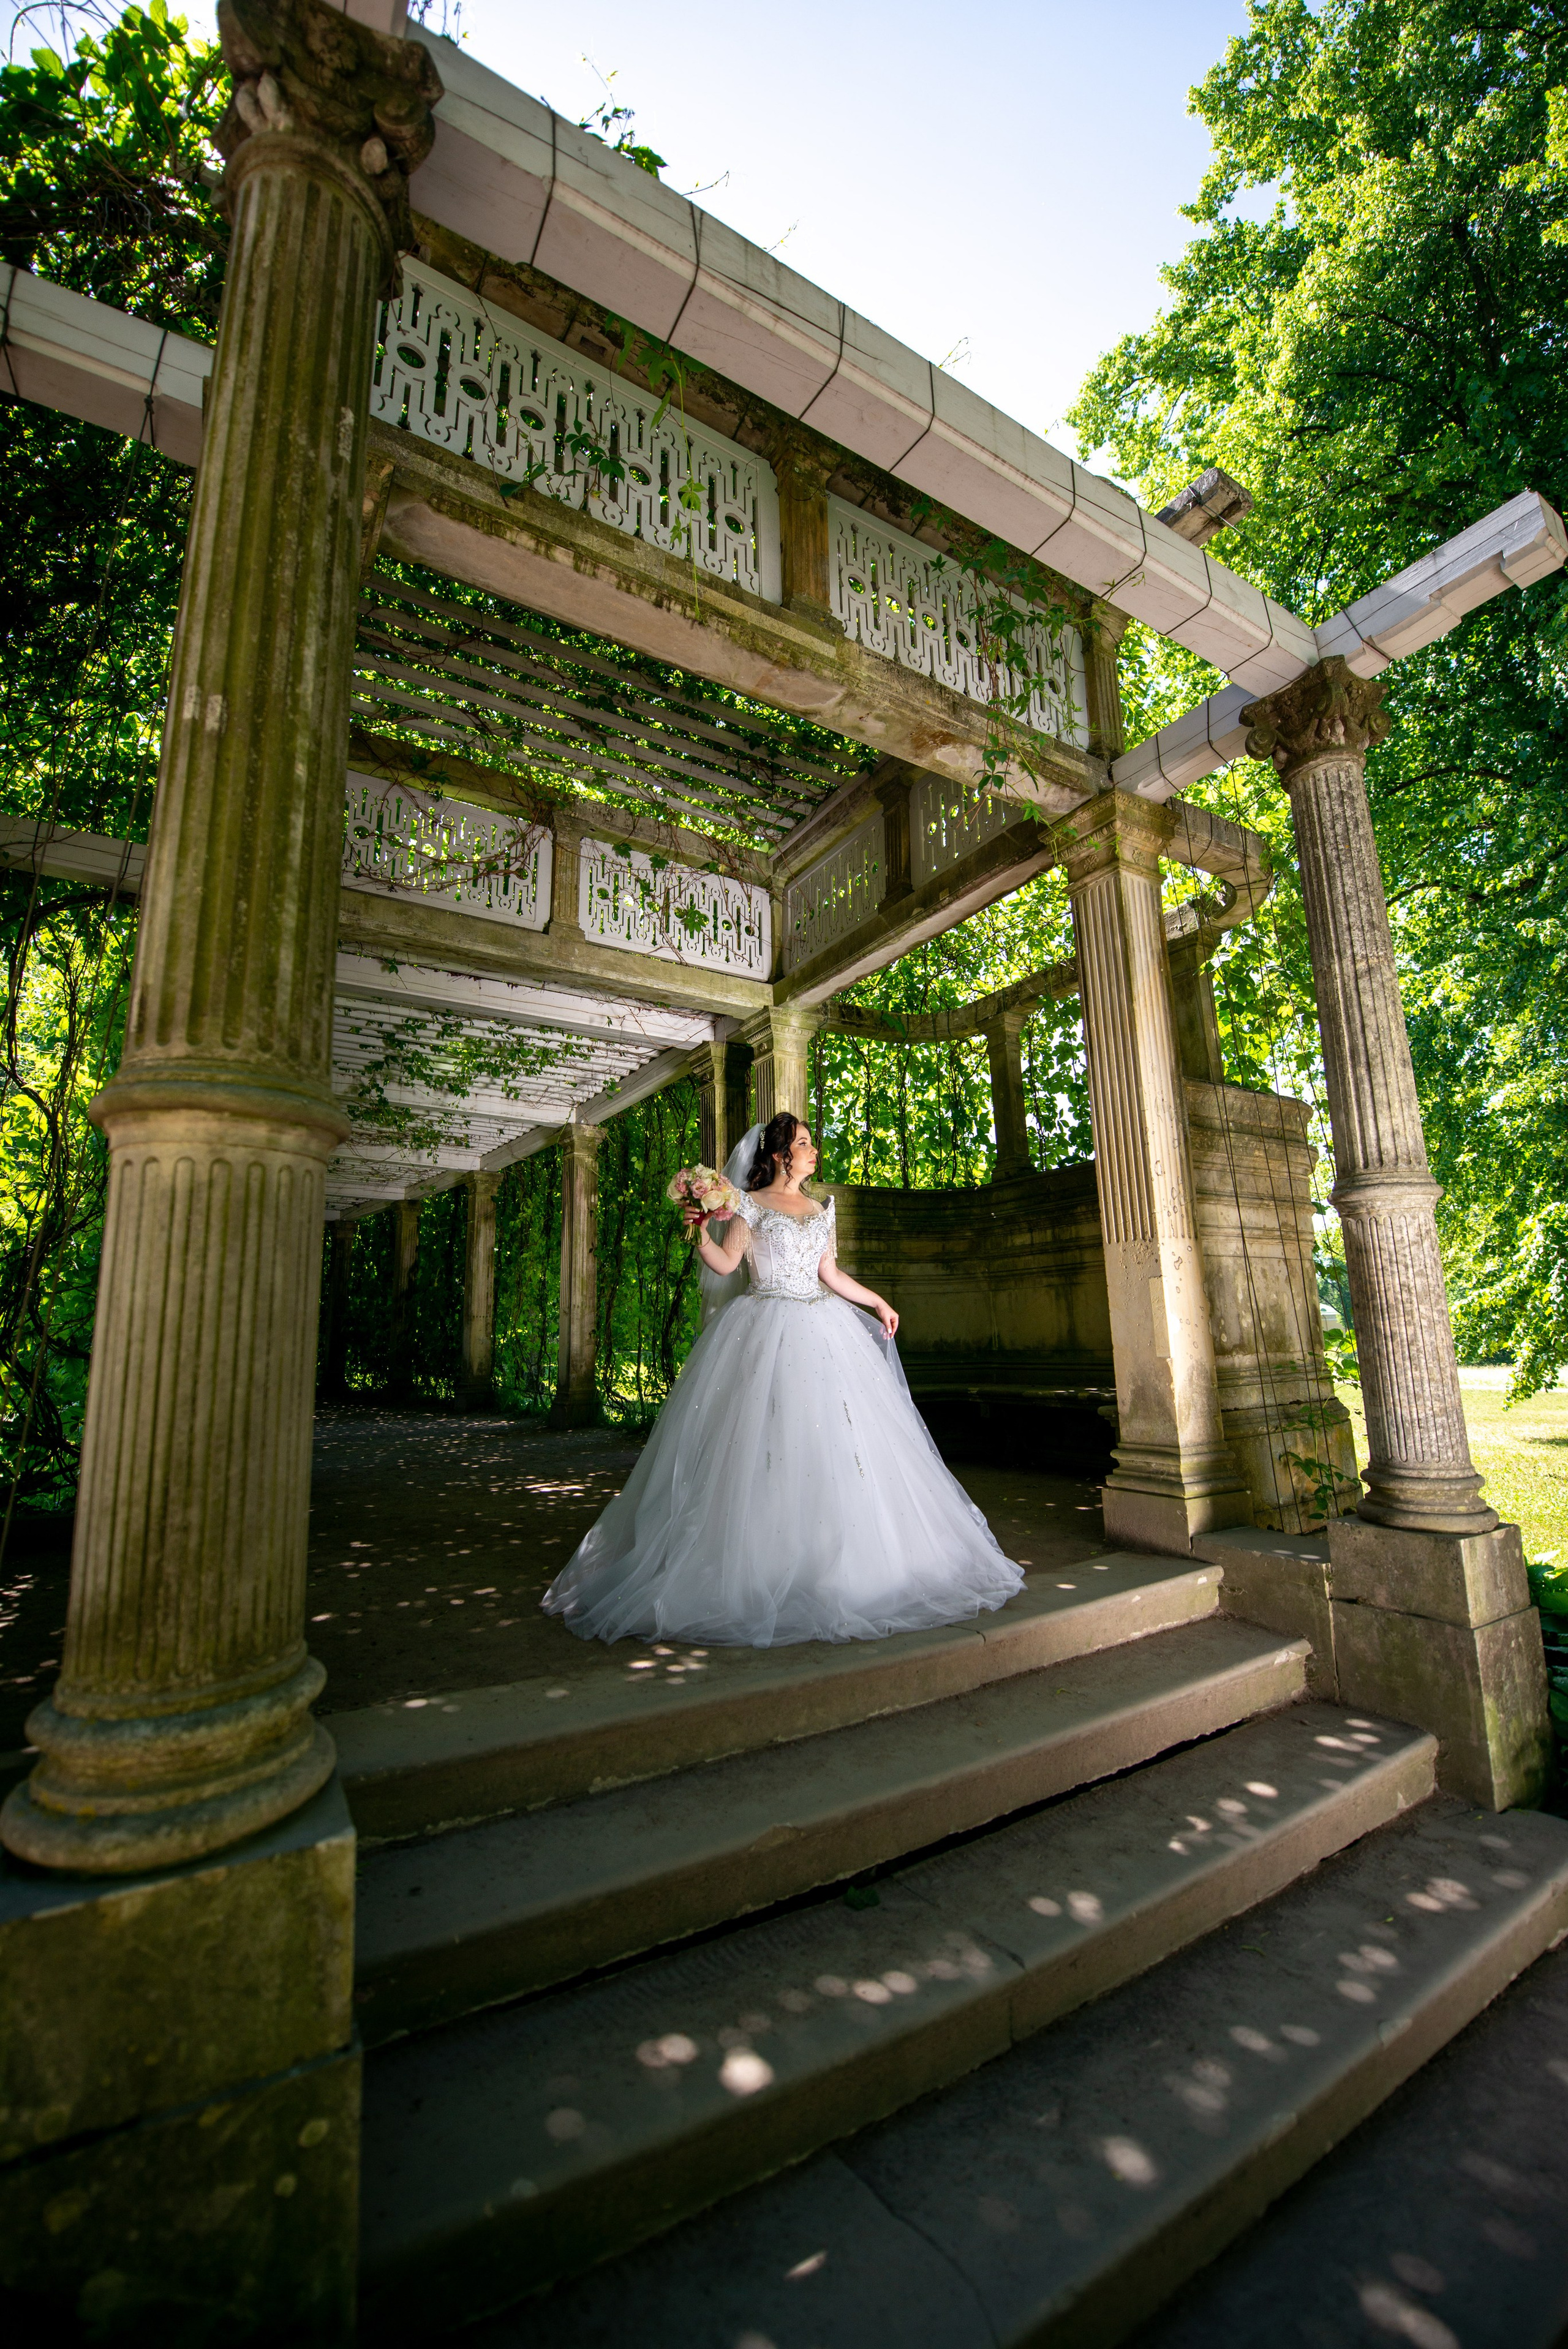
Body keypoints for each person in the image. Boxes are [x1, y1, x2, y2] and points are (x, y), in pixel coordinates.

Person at [541, 1110, 1023, 1646]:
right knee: (761, 1446)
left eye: (811, 1143)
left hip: (823, 1329)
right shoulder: (749, 1205)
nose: (813, 1150)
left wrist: (879, 1300)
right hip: (762, 1328)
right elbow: (726, 1263)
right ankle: (760, 1564)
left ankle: (837, 1562)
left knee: (838, 1446)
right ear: (778, 1155)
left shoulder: (820, 1209)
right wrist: (697, 1232)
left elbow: (831, 1274)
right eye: (803, 1142)